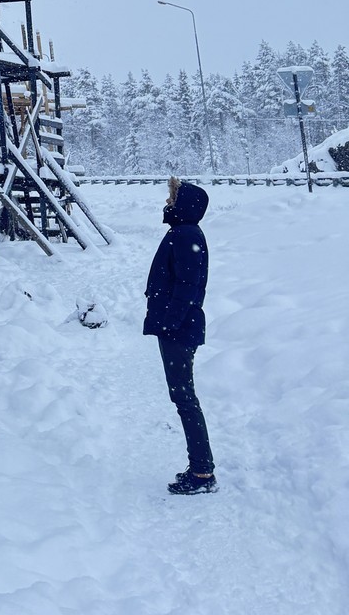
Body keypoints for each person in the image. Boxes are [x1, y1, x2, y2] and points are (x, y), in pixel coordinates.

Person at [143, 176, 216, 494]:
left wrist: (170, 324)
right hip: (178, 328)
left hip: (179, 330)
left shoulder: (186, 235)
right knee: (184, 398)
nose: (168, 203)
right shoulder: (183, 233)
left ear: (185, 205)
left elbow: (188, 287)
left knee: (185, 399)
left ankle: (202, 473)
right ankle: (200, 468)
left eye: (173, 198)